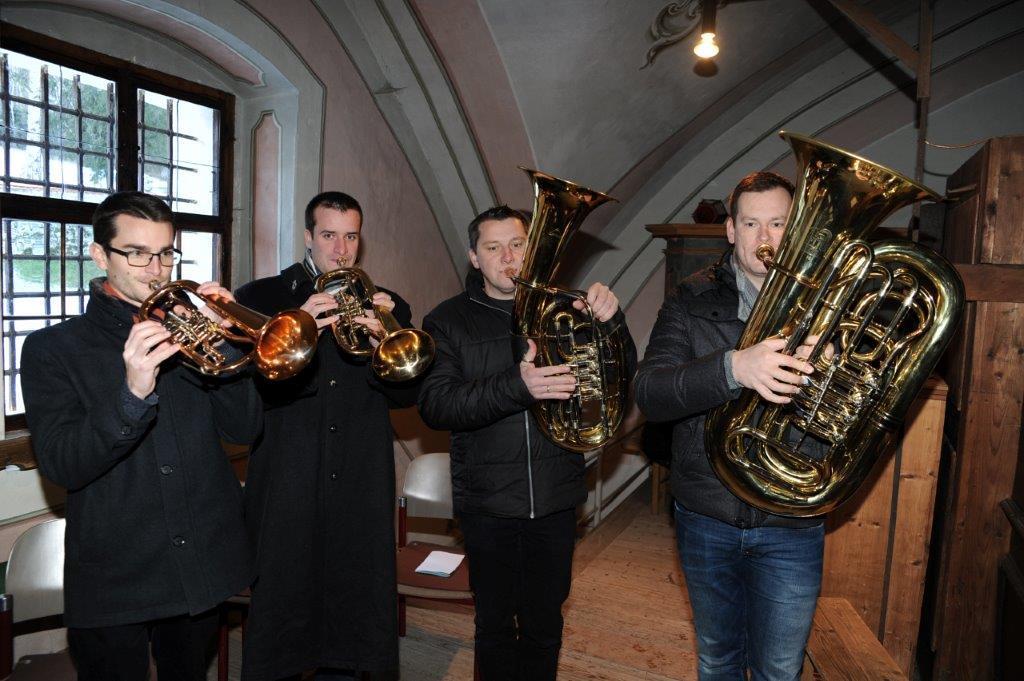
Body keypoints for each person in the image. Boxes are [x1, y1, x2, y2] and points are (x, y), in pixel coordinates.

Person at [21, 191, 262, 681]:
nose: (156, 270)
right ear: (99, 255)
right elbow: (63, 464)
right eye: (137, 253)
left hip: (200, 561)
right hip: (115, 573)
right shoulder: (52, 349)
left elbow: (244, 429)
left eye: (165, 253)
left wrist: (227, 346)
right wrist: (131, 393)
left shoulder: (192, 333)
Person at [417, 205, 637, 681]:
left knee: (545, 624)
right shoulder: (446, 320)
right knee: (494, 626)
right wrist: (518, 387)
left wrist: (612, 322)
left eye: (517, 245)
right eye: (493, 247)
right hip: (489, 503)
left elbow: (620, 373)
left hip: (556, 497)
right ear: (475, 257)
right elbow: (437, 405)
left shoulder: (566, 307)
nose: (508, 258)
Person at [635, 171, 828, 680]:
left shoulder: (832, 305)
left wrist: (834, 367)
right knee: (717, 660)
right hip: (708, 515)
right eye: (750, 224)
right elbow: (650, 392)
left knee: (780, 669)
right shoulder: (689, 299)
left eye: (778, 224)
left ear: (798, 230)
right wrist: (732, 369)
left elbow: (871, 406)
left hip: (791, 520)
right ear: (730, 230)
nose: (765, 239)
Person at [234, 191, 419, 681]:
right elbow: (246, 396)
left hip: (359, 474)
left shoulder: (388, 304)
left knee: (354, 602)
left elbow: (407, 397)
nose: (341, 249)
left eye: (351, 236)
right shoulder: (260, 298)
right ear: (308, 236)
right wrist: (299, 328)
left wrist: (383, 340)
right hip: (288, 473)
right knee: (284, 598)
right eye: (329, 235)